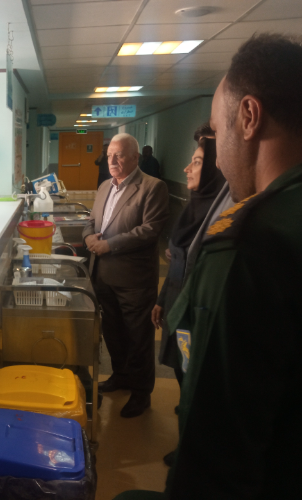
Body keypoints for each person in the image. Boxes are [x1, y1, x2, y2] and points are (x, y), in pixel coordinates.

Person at [116, 32, 302, 500]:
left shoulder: (249, 244)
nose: (217, 158)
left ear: (249, 117)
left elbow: (217, 453)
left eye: (218, 133)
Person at [149, 124, 223, 467]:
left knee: (196, 380)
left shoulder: (220, 215)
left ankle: (192, 451)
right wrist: (162, 299)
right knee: (183, 373)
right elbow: (178, 262)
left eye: (196, 162)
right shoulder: (195, 207)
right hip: (177, 305)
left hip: (195, 315)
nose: (187, 168)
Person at [83, 133, 169, 418]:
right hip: (103, 275)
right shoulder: (104, 186)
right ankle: (120, 375)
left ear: (135, 157)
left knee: (138, 337)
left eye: (118, 155)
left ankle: (141, 392)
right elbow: (91, 221)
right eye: (109, 155)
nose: (112, 160)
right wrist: (88, 237)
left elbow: (149, 230)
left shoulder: (152, 187)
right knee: (113, 332)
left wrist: (109, 245)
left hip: (134, 280)